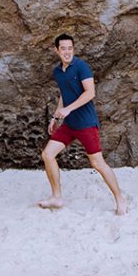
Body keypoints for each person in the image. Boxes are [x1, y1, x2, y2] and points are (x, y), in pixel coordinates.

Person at [38, 33, 127, 215]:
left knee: (97, 163)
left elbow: (90, 93)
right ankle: (56, 196)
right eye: (63, 48)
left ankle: (119, 197)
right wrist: (55, 118)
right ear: (57, 50)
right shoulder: (58, 72)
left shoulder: (81, 67)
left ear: (73, 49)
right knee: (47, 154)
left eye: (70, 48)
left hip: (86, 123)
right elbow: (64, 94)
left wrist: (69, 109)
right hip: (69, 125)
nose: (67, 52)